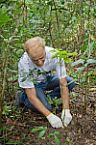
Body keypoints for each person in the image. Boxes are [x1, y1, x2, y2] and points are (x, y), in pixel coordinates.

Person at [16, 36, 75, 128]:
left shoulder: (55, 54)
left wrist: (66, 109)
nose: (40, 63)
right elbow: (31, 96)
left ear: (44, 49)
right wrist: (49, 116)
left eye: (42, 58)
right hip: (35, 85)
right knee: (47, 108)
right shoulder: (24, 63)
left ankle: (44, 99)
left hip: (47, 79)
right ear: (28, 54)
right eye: (35, 60)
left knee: (70, 82)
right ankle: (22, 97)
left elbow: (63, 84)